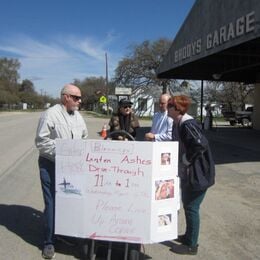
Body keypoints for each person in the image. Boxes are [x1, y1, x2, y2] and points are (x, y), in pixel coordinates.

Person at [35, 84, 88, 259]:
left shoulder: (78, 116)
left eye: (80, 98)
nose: (79, 101)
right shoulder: (50, 114)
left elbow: (84, 137)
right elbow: (41, 142)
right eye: (76, 97)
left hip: (71, 167)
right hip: (50, 164)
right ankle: (49, 242)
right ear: (65, 97)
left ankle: (65, 232)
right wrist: (64, 152)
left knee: (70, 201)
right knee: (52, 203)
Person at [167, 95, 215, 255]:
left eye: (168, 106)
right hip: (191, 173)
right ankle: (188, 236)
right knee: (188, 204)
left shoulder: (187, 124)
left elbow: (200, 144)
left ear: (176, 109)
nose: (166, 109)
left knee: (192, 207)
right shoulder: (178, 123)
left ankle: (191, 245)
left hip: (199, 173)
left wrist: (186, 159)